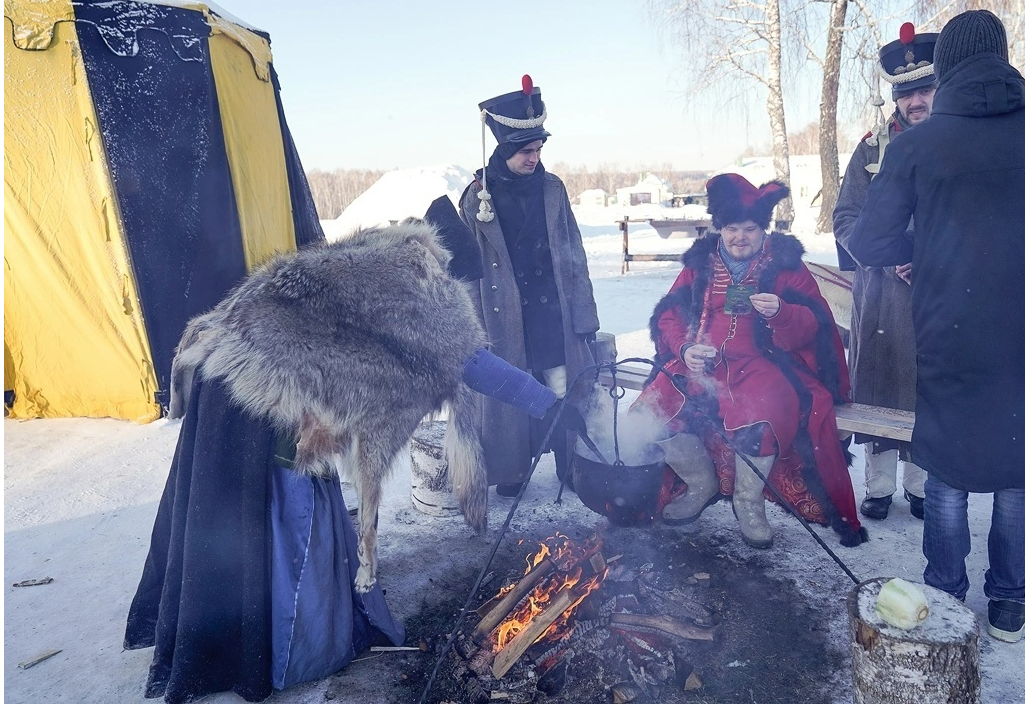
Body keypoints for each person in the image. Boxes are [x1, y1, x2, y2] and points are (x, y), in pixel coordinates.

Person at [124, 210, 581, 704]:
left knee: (219, 525)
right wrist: (548, 403)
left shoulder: (366, 253)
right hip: (269, 405)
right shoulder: (427, 294)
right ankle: (280, 653)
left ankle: (203, 637)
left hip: (224, 377)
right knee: (285, 527)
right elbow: (478, 366)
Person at [849, 10, 1025, 643]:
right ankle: (1010, 607)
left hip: (949, 330)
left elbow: (870, 240)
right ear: (1004, 56)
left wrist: (933, 238)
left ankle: (946, 596)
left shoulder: (915, 146)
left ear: (952, 68)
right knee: (1020, 474)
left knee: (948, 470)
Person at [632, 172, 868, 549]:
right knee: (650, 414)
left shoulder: (786, 266)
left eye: (750, 229)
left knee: (766, 413)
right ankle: (700, 484)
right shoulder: (701, 264)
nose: (739, 237)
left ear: (764, 230)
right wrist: (684, 349)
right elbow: (669, 316)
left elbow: (815, 327)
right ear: (719, 229)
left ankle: (748, 500)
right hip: (699, 363)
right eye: (730, 229)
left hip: (762, 363)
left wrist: (782, 313)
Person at [457, 75, 600, 497]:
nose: (534, 158)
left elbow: (575, 253)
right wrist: (471, 329)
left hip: (552, 311)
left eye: (538, 149)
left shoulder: (553, 190)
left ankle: (571, 464)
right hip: (504, 315)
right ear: (505, 150)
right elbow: (466, 272)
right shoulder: (476, 197)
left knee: (563, 385)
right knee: (512, 389)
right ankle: (513, 468)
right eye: (526, 151)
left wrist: (584, 313)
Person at [833, 23, 937, 523]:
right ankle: (877, 486)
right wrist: (882, 252)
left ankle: (921, 486)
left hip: (935, 293)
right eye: (906, 93)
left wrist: (933, 257)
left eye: (924, 89)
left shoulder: (958, 142)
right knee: (876, 383)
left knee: (925, 387)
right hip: (878, 292)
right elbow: (845, 217)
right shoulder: (871, 148)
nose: (915, 101)